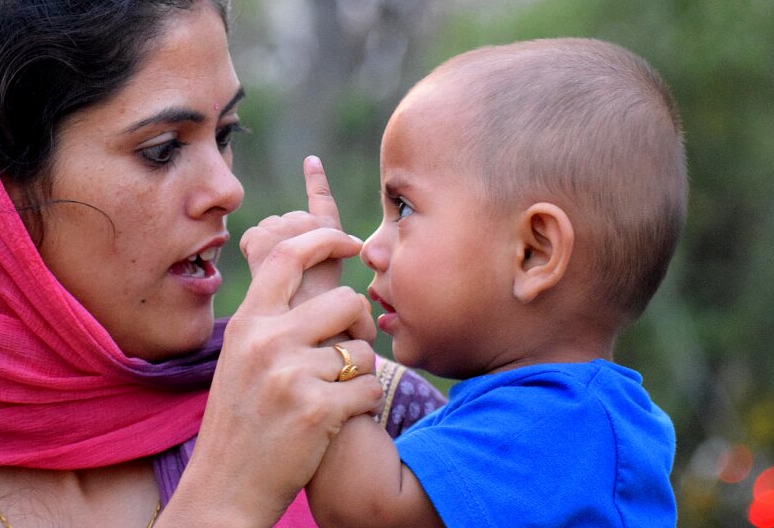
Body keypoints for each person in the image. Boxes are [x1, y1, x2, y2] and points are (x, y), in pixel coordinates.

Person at [0, 0, 445, 528]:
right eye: (161, 149)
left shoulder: (376, 446)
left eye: (225, 134)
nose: (226, 189)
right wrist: (229, 495)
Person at [245, 38, 686, 527]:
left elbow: (366, 511)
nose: (371, 247)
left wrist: (318, 326)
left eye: (403, 209)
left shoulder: (563, 426)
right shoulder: (549, 418)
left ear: (533, 252)